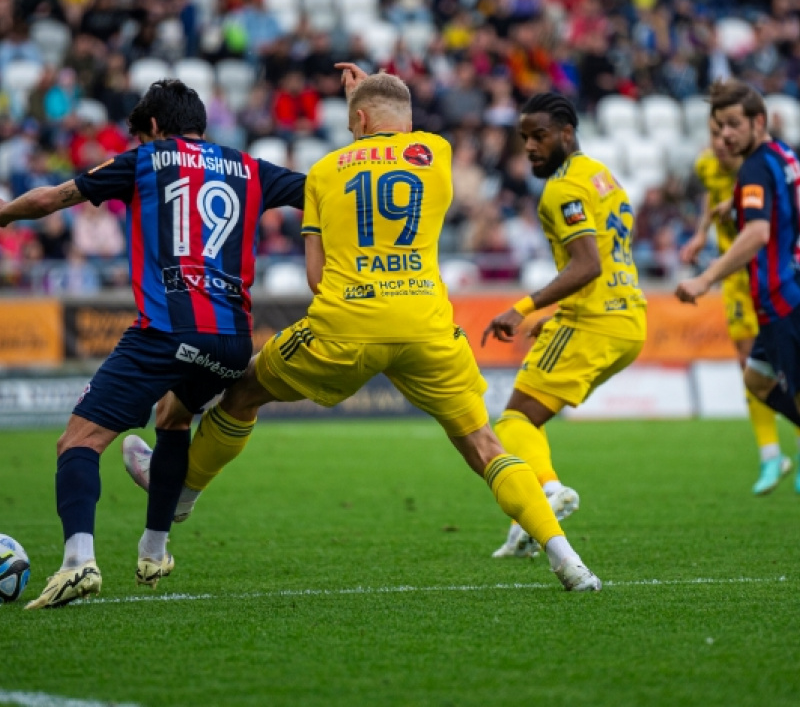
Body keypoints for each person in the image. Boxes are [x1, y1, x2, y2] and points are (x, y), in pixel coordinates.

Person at [125, 66, 602, 592]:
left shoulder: (326, 171)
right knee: (486, 446)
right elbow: (392, 125)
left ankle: (182, 495)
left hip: (346, 324)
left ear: (357, 119)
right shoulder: (436, 153)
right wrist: (367, 98)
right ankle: (569, 561)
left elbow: (315, 275)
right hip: (426, 326)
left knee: (242, 391)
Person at [0, 80, 306, 609]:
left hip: (167, 328)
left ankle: (78, 562)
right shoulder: (251, 167)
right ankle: (153, 551)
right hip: (232, 341)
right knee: (172, 419)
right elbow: (323, 189)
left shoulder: (147, 160)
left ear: (157, 129)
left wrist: (2, 215)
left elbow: (53, 198)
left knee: (77, 443)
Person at [481, 93, 647, 559]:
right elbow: (610, 260)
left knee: (513, 420)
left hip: (593, 322)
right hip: (627, 320)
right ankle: (524, 528)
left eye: (539, 136)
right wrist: (554, 315)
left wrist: (524, 308)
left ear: (566, 134)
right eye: (524, 138)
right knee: (529, 421)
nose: (530, 147)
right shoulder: (601, 176)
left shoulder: (561, 190)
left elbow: (588, 264)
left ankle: (548, 495)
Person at [677, 79, 800, 495]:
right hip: (776, 292)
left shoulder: (751, 168)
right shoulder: (783, 155)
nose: (725, 135)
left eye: (733, 125)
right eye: (719, 127)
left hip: (780, 294)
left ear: (757, 122)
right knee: (756, 381)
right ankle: (773, 455)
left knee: (792, 388)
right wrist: (732, 206)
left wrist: (706, 277)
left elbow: (757, 234)